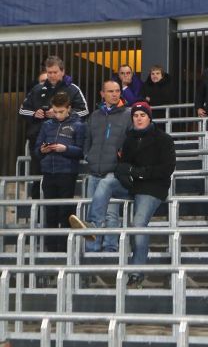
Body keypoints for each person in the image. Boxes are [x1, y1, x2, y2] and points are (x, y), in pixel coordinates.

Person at [73, 102, 176, 289]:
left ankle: (136, 273)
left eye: (142, 115)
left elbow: (166, 169)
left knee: (137, 225)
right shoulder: (129, 139)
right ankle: (94, 226)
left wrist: (137, 173)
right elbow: (121, 165)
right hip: (133, 185)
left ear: (149, 118)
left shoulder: (163, 139)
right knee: (106, 181)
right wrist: (128, 176)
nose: (138, 118)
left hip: (152, 188)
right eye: (136, 115)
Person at [71, 80, 132, 253]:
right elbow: (87, 140)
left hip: (113, 172)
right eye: (111, 91)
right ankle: (92, 249)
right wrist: (87, 155)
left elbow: (131, 141)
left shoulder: (128, 115)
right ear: (102, 93)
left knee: (110, 214)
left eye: (117, 91)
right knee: (93, 211)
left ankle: (110, 249)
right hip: (94, 171)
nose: (115, 94)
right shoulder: (94, 116)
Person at [19, 56, 89, 199]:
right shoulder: (37, 89)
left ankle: (63, 219)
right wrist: (35, 113)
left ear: (63, 71)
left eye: (55, 72)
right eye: (49, 72)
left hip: (66, 141)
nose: (52, 75)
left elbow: (85, 111)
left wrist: (61, 113)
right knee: (37, 180)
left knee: (64, 186)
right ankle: (38, 216)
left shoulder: (72, 89)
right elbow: (22, 110)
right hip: (40, 141)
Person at [34, 92, 86, 252]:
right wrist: (42, 150)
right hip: (48, 172)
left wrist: (66, 149)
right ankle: (50, 250)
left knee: (65, 213)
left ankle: (64, 249)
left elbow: (82, 151)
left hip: (67, 173)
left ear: (69, 108)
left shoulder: (79, 125)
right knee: (50, 213)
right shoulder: (47, 125)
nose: (58, 115)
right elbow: (36, 150)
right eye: (55, 111)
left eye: (61, 111)